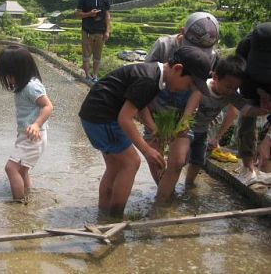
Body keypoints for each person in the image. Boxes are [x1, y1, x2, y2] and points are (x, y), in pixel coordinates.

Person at [79, 46, 212, 217]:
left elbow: (138, 105)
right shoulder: (149, 80)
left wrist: (153, 129)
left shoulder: (154, 75)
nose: (188, 89)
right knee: (131, 163)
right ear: (178, 69)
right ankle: (115, 217)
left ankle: (104, 213)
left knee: (115, 167)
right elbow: (125, 118)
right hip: (102, 117)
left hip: (96, 115)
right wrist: (147, 150)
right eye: (189, 84)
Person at [139, 12, 220, 202]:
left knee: (177, 161)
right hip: (156, 111)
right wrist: (148, 120)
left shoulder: (213, 56)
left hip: (184, 111)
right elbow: (146, 81)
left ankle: (163, 201)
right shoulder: (163, 46)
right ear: (181, 32)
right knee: (156, 158)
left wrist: (185, 120)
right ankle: (164, 199)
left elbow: (197, 90)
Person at [184, 56, 271, 186]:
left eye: (235, 88)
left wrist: (265, 110)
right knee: (180, 160)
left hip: (202, 132)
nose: (230, 91)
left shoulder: (231, 94)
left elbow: (246, 110)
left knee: (197, 161)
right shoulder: (202, 89)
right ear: (215, 77)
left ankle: (188, 185)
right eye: (228, 86)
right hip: (186, 131)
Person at [0, 45, 54, 201]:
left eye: (9, 75)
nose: (8, 79)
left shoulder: (31, 86)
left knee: (10, 168)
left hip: (34, 136)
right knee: (21, 170)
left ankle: (18, 203)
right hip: (29, 135)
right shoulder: (24, 86)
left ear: (19, 71)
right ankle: (27, 196)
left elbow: (48, 106)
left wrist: (36, 125)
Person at [235, 22, 271, 184]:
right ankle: (248, 167)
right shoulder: (245, 47)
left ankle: (266, 163)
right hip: (252, 84)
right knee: (247, 119)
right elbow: (243, 82)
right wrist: (259, 93)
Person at [75, 0, 111, 83]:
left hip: (100, 32)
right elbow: (77, 14)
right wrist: (89, 14)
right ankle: (87, 75)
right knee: (86, 55)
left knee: (97, 56)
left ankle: (95, 76)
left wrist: (107, 31)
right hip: (87, 31)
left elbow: (107, 15)